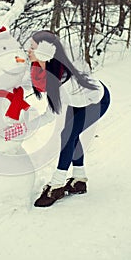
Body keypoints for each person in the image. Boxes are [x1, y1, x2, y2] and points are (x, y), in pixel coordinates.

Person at [26, 30, 110, 207]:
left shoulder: (65, 83)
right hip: (80, 101)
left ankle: (57, 185)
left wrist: (30, 126)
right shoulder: (46, 71)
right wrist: (28, 126)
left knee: (68, 135)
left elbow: (52, 113)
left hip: (97, 101)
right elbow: (50, 112)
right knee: (70, 134)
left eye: (32, 47)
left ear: (45, 52)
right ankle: (79, 180)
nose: (28, 50)